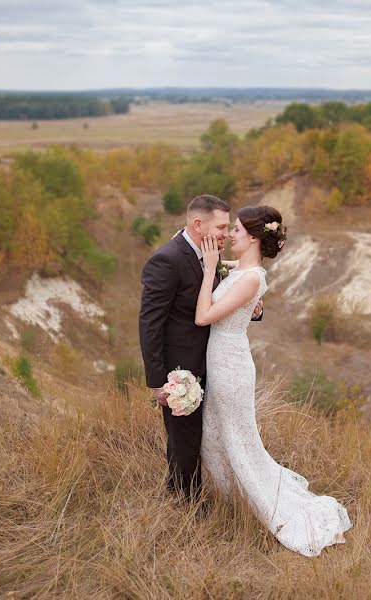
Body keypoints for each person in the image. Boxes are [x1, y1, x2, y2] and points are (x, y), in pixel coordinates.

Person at [195, 205, 352, 557]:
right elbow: (224, 268)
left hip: (230, 365)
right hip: (222, 360)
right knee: (216, 437)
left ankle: (257, 507)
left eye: (235, 230)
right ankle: (227, 504)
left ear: (252, 237)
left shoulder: (252, 278)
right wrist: (208, 258)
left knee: (236, 439)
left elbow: (204, 316)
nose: (230, 235)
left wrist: (208, 273)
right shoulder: (245, 271)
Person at [138, 194, 260, 503]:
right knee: (185, 440)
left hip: (214, 362)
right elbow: (149, 324)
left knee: (191, 439)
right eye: (221, 227)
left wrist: (251, 308)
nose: (225, 234)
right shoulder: (167, 259)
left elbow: (228, 289)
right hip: (180, 370)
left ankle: (178, 492)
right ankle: (187, 506)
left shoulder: (210, 255)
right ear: (198, 224)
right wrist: (157, 382)